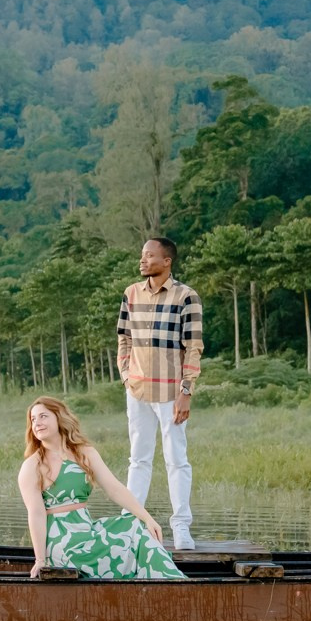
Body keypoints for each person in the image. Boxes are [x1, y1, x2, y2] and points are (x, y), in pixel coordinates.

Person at [18, 396, 186, 581]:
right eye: (33, 419)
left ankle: (168, 583)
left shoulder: (83, 453)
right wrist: (40, 559)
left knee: (134, 524)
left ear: (59, 418)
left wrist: (147, 518)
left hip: (86, 529)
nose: (37, 423)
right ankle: (164, 584)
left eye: (43, 416)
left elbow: (114, 488)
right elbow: (36, 514)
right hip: (62, 541)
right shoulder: (32, 466)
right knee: (127, 535)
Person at [116, 235, 202, 550]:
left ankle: (181, 528)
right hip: (137, 390)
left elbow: (193, 347)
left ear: (166, 261)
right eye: (142, 255)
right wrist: (125, 375)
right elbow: (123, 339)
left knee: (176, 460)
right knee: (138, 459)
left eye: (149, 256)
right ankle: (131, 526)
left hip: (170, 392)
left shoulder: (186, 296)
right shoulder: (131, 294)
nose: (143, 260)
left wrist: (186, 391)